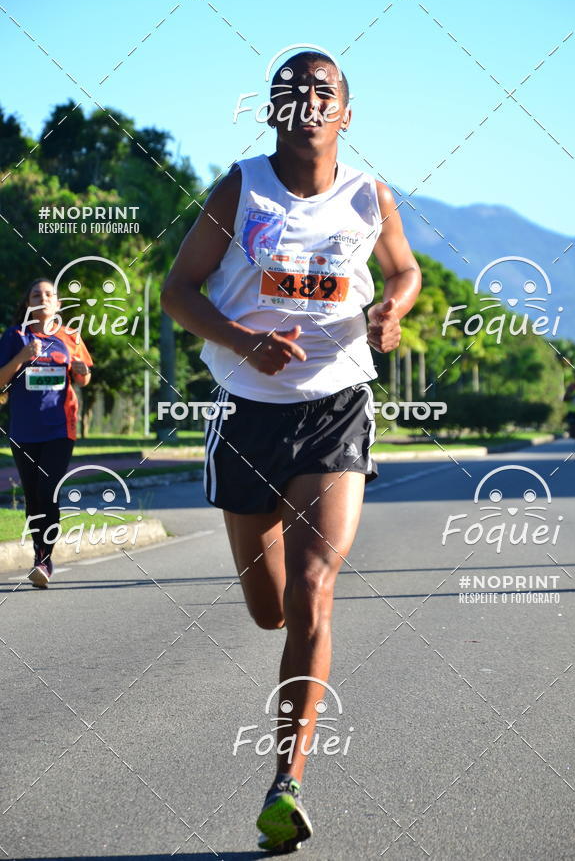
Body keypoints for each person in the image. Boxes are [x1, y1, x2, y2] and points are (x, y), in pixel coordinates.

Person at [161, 51, 421, 853]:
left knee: (313, 589)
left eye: (323, 91)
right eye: (292, 91)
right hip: (248, 413)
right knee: (268, 607)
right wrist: (242, 340)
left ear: (347, 112)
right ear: (272, 111)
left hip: (337, 406)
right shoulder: (240, 188)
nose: (307, 100)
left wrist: (393, 309)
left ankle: (287, 782)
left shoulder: (368, 195)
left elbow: (404, 269)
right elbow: (177, 292)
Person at [0, 278, 92, 587]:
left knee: (47, 491)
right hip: (24, 429)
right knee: (31, 496)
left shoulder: (70, 336)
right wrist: (22, 357)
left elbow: (83, 378)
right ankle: (40, 553)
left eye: (49, 294)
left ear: (58, 304)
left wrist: (81, 370)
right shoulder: (15, 336)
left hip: (60, 426)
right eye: (36, 294)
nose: (42, 298)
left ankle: (43, 559)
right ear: (28, 303)